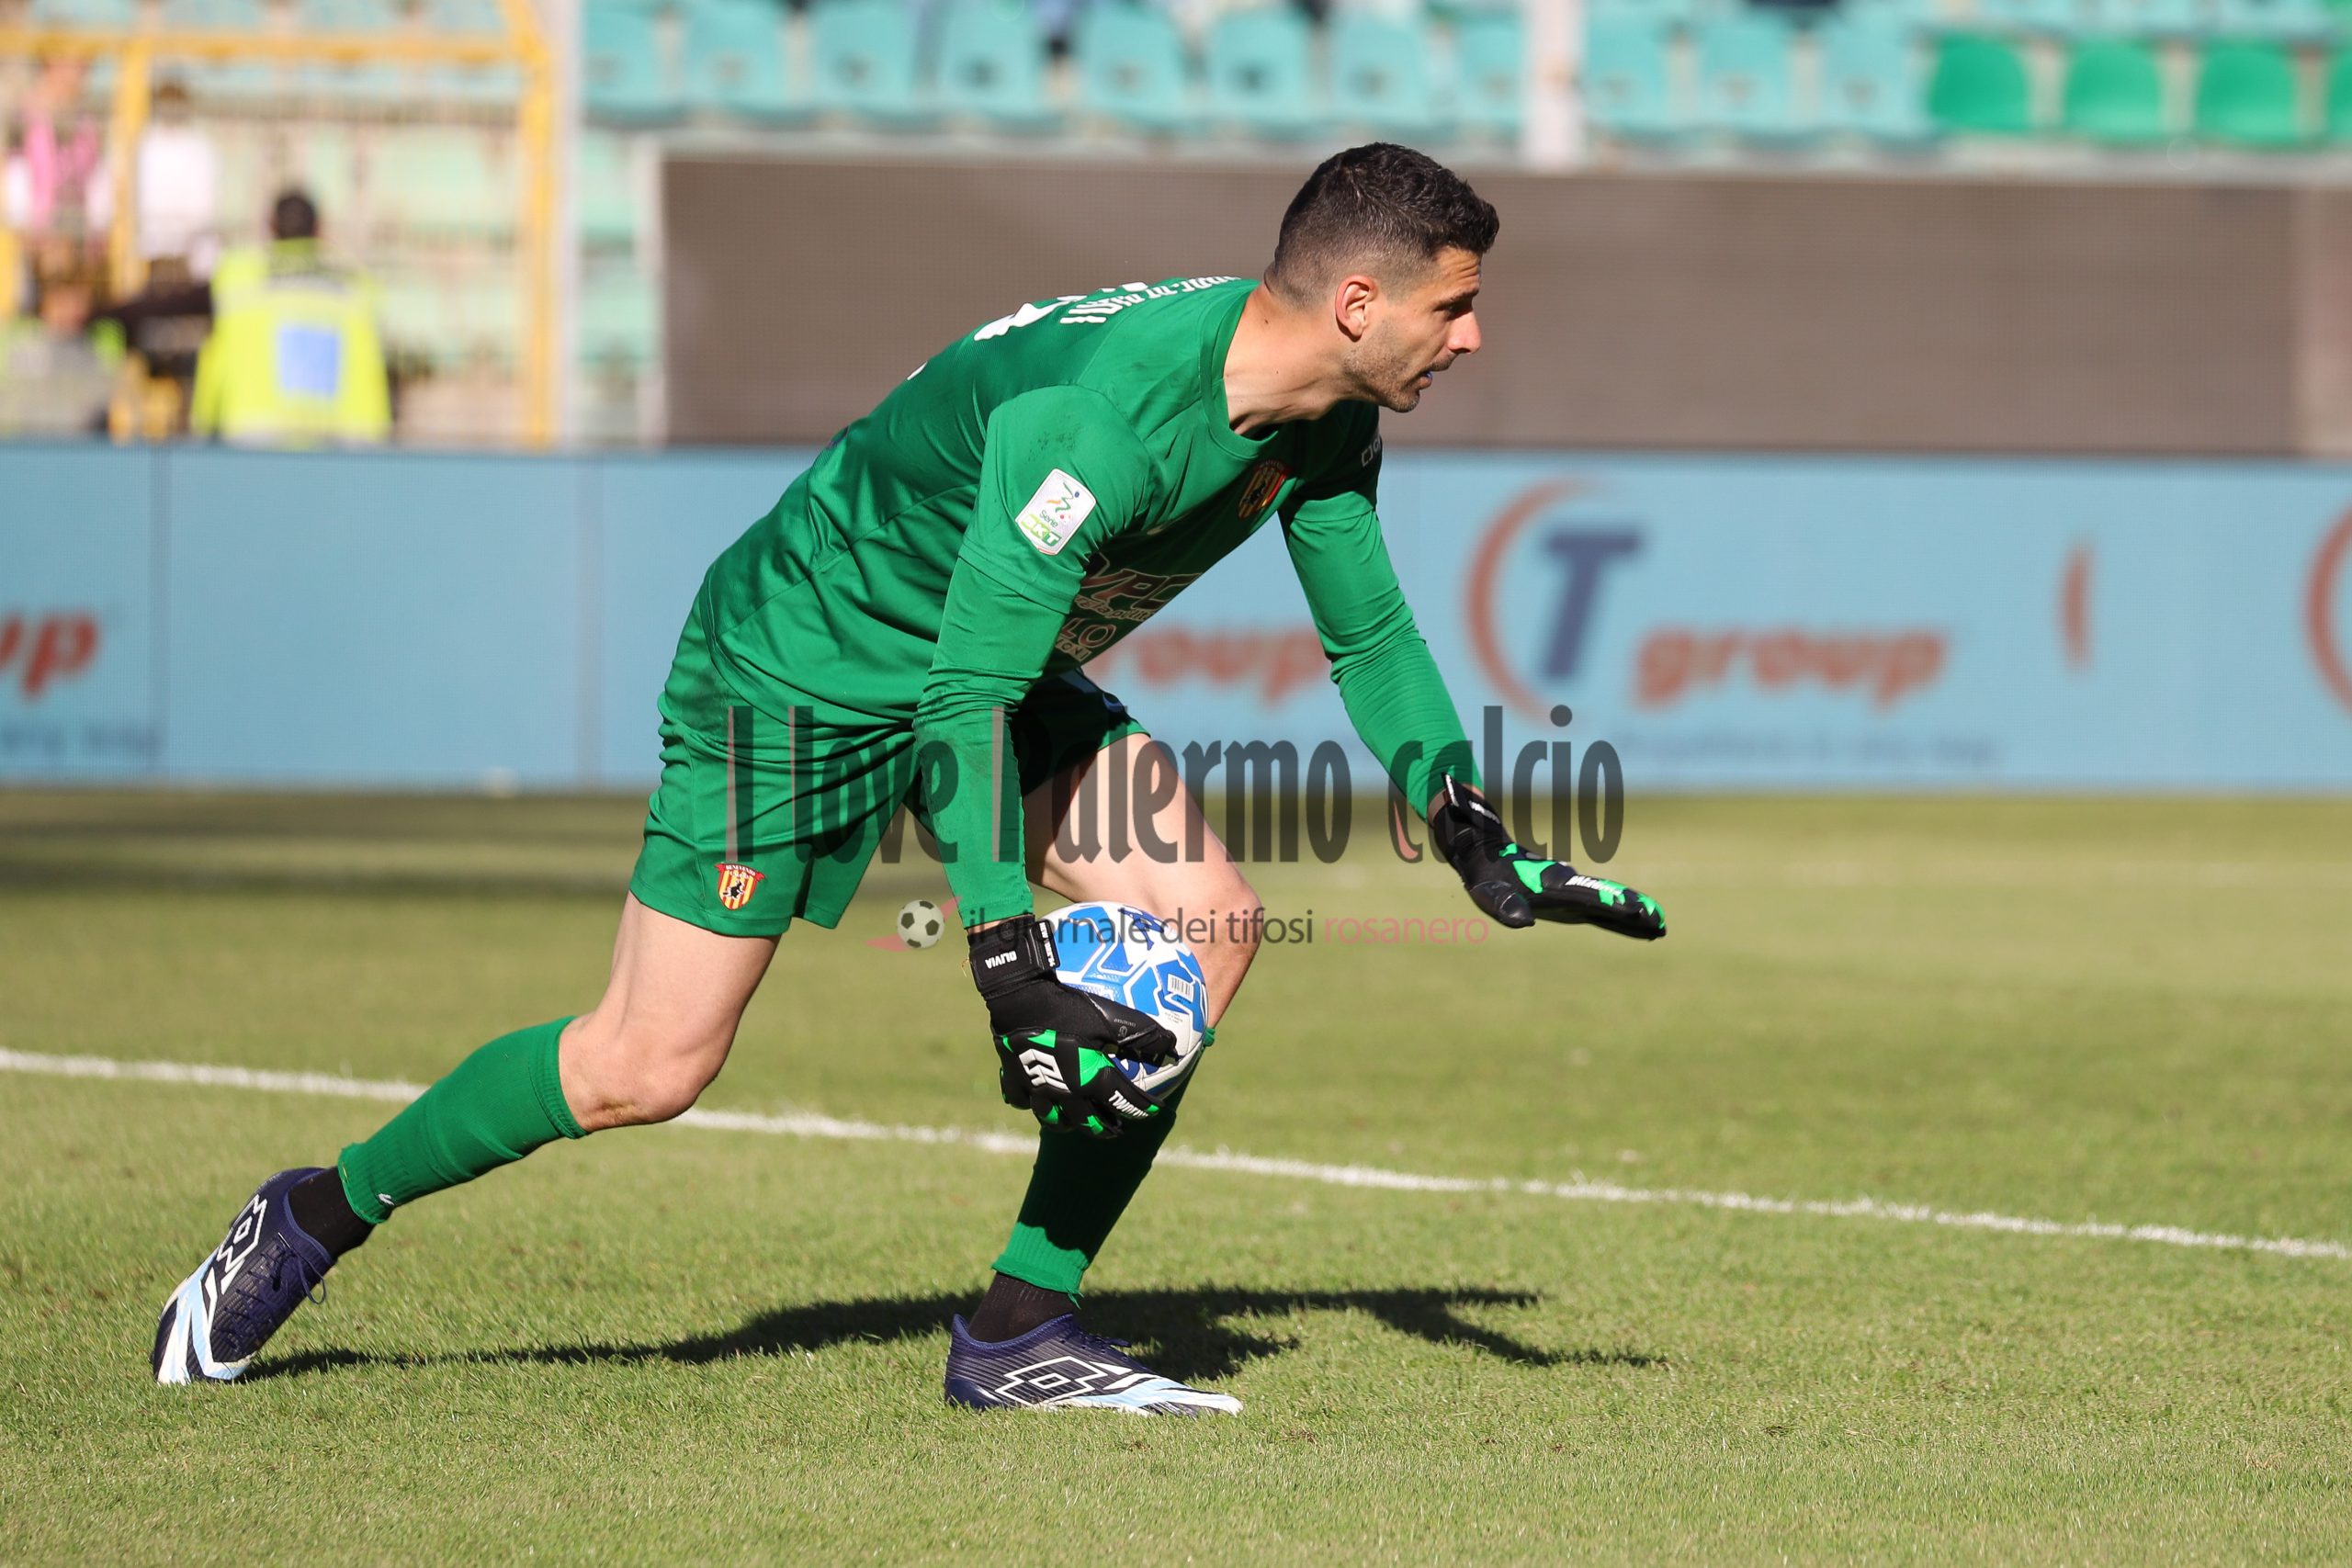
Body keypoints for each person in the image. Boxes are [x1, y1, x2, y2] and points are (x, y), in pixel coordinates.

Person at [151, 144, 1666, 1412]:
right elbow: (965, 696)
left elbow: (1375, 632)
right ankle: (315, 1210)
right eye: (1454, 309)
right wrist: (1005, 950)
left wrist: (1466, 822)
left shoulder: (1328, 415)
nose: (1470, 339)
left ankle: (1016, 1331)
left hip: (976, 670)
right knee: (642, 1067)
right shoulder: (1101, 419)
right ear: (1358, 302)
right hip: (793, 681)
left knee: (1207, 917)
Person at [188, 189, 390, 446]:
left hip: (253, 448)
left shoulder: (237, 282)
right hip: (340, 451)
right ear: (319, 230)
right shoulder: (356, 288)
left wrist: (204, 431)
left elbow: (214, 360)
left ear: (271, 228)